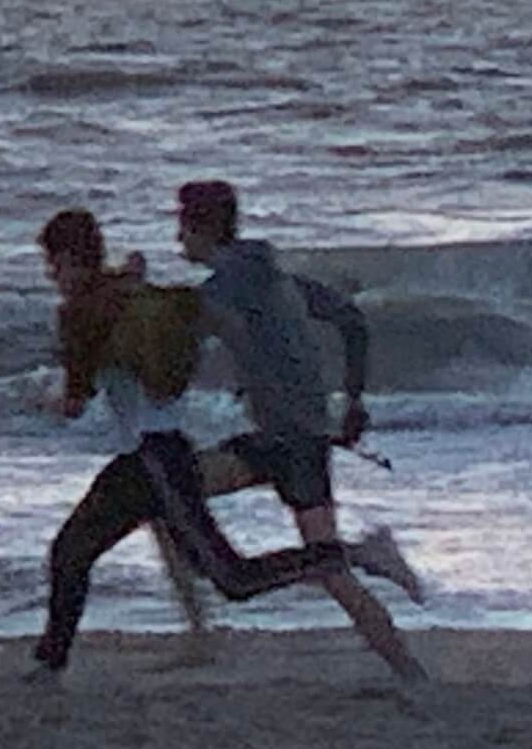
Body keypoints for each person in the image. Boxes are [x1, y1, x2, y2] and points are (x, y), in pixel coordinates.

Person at [31, 207, 351, 678]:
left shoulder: (81, 313)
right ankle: (49, 666)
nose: (50, 275)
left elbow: (76, 402)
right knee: (70, 553)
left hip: (156, 462)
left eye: (53, 264)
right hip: (147, 460)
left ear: (70, 259)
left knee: (232, 579)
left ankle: (351, 555)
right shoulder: (130, 293)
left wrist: (44, 401)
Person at [177, 180, 429, 684]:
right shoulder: (275, 275)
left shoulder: (231, 281)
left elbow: (183, 320)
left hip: (293, 444)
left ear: (202, 229)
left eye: (181, 227)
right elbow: (351, 320)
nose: (177, 240)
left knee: (329, 566)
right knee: (167, 491)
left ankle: (373, 560)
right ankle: (409, 673)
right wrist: (354, 399)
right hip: (287, 438)